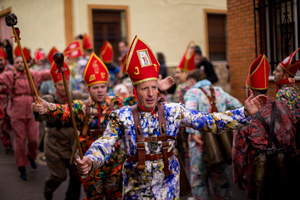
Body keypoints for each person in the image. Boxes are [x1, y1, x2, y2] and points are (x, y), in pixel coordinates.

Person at [69, 36, 267, 199]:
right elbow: (106, 142)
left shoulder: (173, 111)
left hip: (168, 189)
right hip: (136, 191)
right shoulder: (121, 117)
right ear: (134, 91)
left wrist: (244, 112)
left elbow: (208, 121)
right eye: (144, 89)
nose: (150, 94)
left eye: (154, 88)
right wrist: (91, 159)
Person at [232, 54, 296, 199]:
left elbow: (239, 153)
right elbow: (292, 135)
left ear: (250, 91)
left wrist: (239, 178)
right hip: (285, 169)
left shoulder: (245, 116)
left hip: (258, 174)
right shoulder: (284, 106)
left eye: (244, 88)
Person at [184, 69, 242, 200]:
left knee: (198, 179)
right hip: (220, 142)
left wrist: (193, 132)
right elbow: (237, 106)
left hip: (199, 142)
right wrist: (227, 125)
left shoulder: (192, 93)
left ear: (192, 81)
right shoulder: (219, 91)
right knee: (220, 177)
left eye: (188, 83)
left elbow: (189, 114)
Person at [34, 62, 86, 200]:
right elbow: (39, 117)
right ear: (54, 85)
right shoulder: (49, 99)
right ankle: (48, 189)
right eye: (59, 85)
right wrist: (37, 109)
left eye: (65, 84)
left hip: (73, 144)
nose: (63, 87)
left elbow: (91, 102)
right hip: (54, 144)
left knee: (77, 177)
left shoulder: (77, 96)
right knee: (59, 176)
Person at [0, 55, 51, 180]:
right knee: (19, 141)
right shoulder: (10, 75)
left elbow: (47, 74)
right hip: (17, 112)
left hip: (33, 111)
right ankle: (21, 167)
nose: (20, 63)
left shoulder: (33, 74)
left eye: (22, 61)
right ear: (14, 64)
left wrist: (59, 66)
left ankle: (32, 157)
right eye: (17, 62)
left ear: (26, 63)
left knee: (33, 139)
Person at [273, 48, 300, 146]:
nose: (274, 73)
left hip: (291, 143)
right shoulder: (295, 89)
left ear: (285, 75)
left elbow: (285, 123)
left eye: (277, 71)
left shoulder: (283, 93)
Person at [0, 48, 13, 154]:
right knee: (2, 124)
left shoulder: (9, 70)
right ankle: (7, 144)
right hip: (0, 103)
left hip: (10, 100)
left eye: (0, 60)